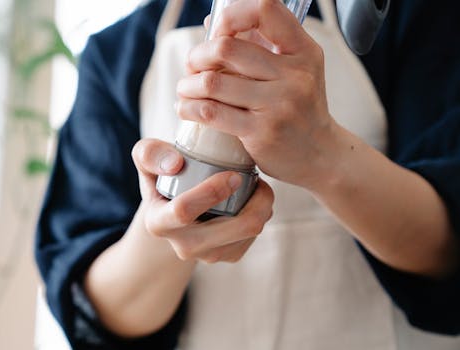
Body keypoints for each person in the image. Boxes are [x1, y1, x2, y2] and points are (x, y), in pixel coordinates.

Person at [35, 0, 460, 349]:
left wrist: (324, 155)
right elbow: (96, 313)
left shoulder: (400, 18)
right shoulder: (118, 53)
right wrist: (169, 224)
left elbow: (449, 251)